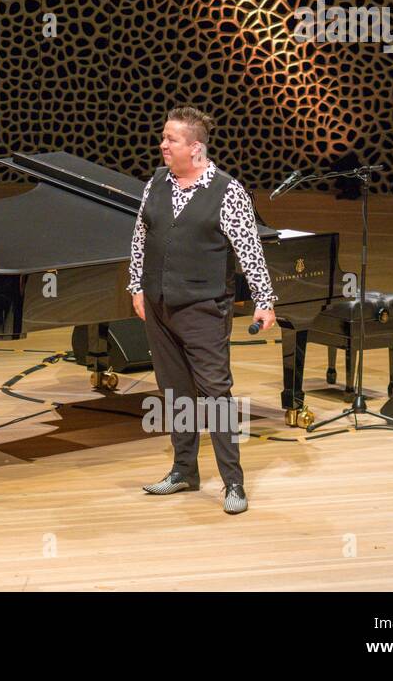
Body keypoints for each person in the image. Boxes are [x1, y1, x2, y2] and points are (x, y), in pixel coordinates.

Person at [128, 107, 276, 515]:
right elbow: (141, 236)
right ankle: (183, 470)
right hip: (158, 305)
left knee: (215, 395)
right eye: (163, 137)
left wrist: (264, 300)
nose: (162, 144)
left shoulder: (227, 191)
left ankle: (233, 482)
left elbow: (250, 249)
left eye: (170, 139)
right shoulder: (156, 182)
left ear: (194, 148)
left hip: (203, 308)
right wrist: (136, 285)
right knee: (175, 391)